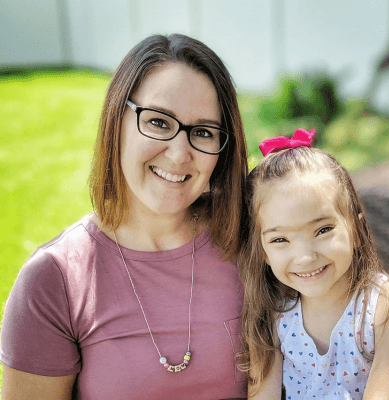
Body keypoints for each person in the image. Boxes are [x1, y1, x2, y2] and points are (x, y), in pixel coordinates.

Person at [0, 34, 248, 399]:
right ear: (117, 120)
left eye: (203, 132)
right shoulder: (53, 280)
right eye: (159, 122)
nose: (180, 155)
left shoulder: (259, 243)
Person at [238, 129, 389, 399]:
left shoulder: (386, 307)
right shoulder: (273, 313)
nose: (305, 256)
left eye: (323, 230)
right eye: (280, 239)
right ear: (263, 253)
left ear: (357, 231)